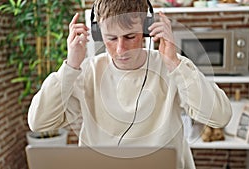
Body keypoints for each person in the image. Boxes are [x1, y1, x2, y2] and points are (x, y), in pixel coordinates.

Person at [28, 0, 232, 168]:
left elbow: (219, 116)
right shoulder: (86, 73)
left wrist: (175, 64)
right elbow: (39, 122)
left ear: (146, 30)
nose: (120, 49)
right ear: (99, 34)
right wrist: (71, 65)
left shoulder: (171, 66)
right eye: (111, 38)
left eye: (130, 37)